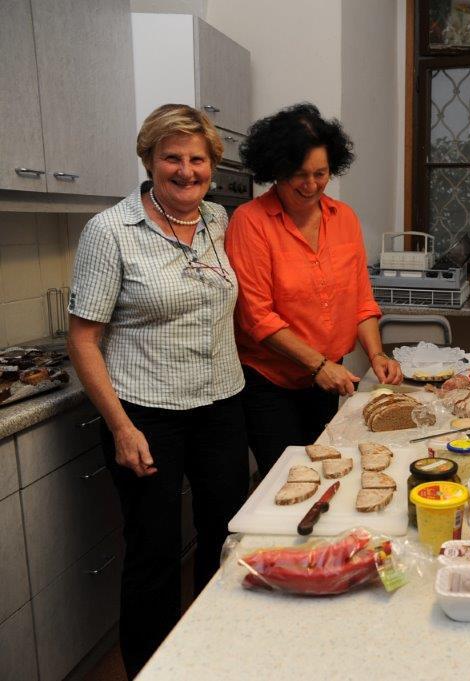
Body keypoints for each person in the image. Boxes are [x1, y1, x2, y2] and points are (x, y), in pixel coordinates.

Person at [67, 104, 249, 677]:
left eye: (198, 159)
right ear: (149, 160)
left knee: (226, 535)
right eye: (172, 157)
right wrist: (122, 427)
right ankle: (152, 669)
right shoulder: (110, 231)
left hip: (221, 404)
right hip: (147, 414)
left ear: (212, 165)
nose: (186, 170)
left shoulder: (218, 220)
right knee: (154, 551)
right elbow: (83, 340)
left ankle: (214, 657)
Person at [226, 103, 402, 477]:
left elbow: (361, 300)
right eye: (298, 175)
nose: (311, 185)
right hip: (270, 385)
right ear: (275, 171)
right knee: (286, 479)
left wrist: (376, 355)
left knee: (323, 473)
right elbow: (256, 317)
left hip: (326, 379)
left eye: (320, 174)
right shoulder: (250, 222)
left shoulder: (344, 218)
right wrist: (317, 364)